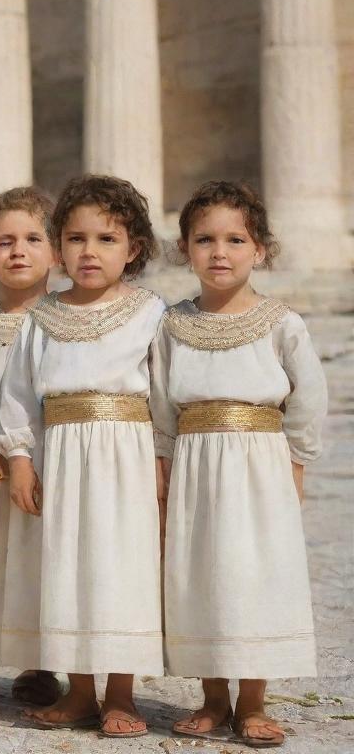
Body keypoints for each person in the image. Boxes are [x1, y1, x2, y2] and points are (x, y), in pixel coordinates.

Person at [152, 181, 327, 749]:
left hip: (259, 467)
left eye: (235, 239)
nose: (219, 252)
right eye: (205, 239)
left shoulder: (282, 323)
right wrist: (164, 463)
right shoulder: (173, 325)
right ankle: (211, 697)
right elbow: (159, 403)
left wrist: (296, 460)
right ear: (185, 248)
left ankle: (252, 700)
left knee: (255, 576)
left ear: (261, 250)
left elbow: (308, 398)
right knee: (202, 574)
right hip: (197, 467)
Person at [0, 174, 169, 737]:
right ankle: (77, 691)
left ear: (134, 248)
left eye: (106, 239)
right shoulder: (41, 319)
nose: (89, 252)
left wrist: (163, 463)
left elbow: (165, 395)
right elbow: (19, 395)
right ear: (57, 245)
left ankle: (120, 693)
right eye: (75, 239)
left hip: (126, 460)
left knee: (121, 571)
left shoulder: (151, 314)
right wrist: (21, 458)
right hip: (60, 458)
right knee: (65, 568)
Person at [0, 187, 61, 708]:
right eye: (4, 241)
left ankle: (43, 662)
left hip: (49, 456)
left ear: (56, 250)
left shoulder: (67, 319)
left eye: (33, 238)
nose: (18, 251)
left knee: (42, 555)